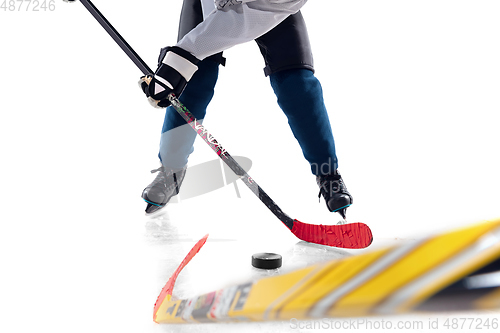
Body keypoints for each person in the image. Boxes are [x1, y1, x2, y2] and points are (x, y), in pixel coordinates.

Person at [140, 0, 353, 219]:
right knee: (194, 82)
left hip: (273, 6)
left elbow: (241, 20)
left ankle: (327, 172)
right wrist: (179, 66)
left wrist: (180, 58)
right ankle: (170, 171)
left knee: (297, 85)